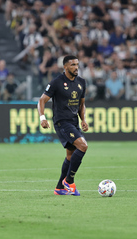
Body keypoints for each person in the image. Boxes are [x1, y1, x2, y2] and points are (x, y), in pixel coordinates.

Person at [37, 55, 88, 196]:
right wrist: (42, 118)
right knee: (83, 146)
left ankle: (59, 187)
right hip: (62, 123)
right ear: (65, 67)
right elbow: (42, 100)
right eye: (72, 65)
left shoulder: (82, 82)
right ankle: (69, 181)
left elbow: (81, 104)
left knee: (71, 156)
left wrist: (83, 119)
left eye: (77, 64)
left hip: (74, 122)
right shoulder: (57, 82)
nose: (76, 67)